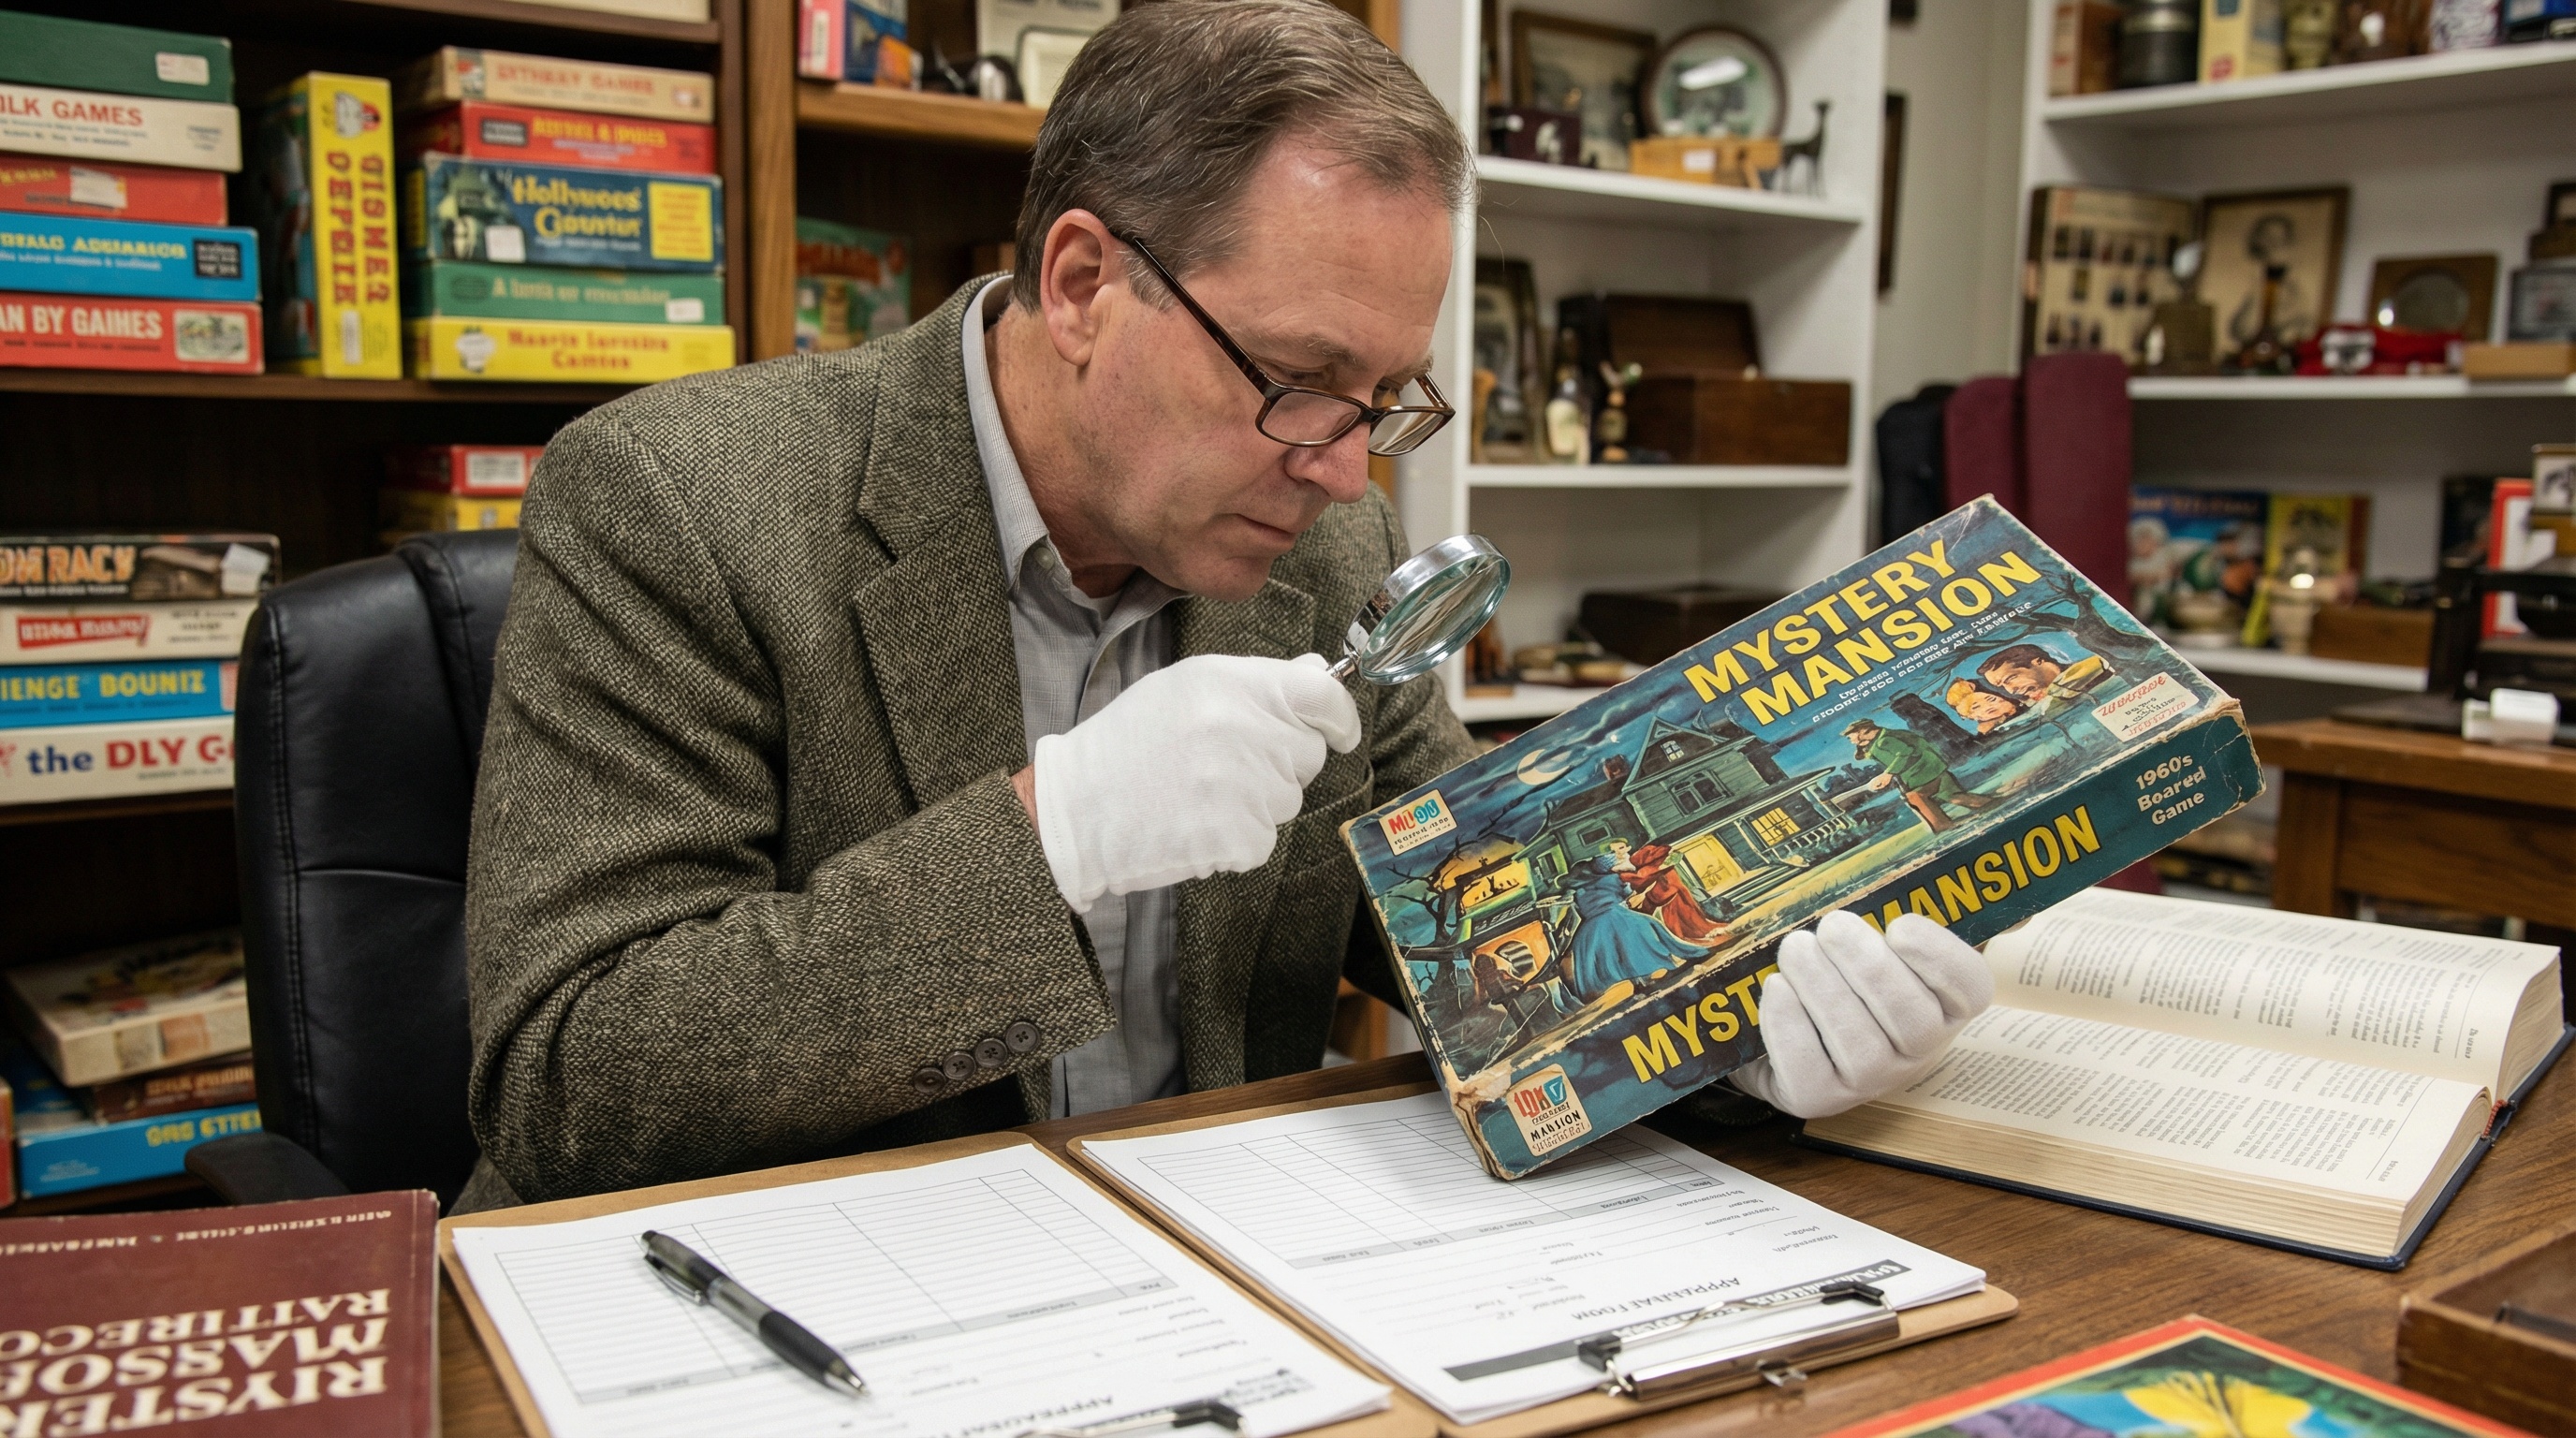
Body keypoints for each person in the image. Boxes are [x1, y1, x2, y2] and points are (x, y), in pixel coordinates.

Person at [460, 0, 1991, 1211]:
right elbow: (572, 1081)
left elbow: (1489, 922)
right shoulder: (675, 500)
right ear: (1080, 283)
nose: (1338, 471)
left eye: (1382, 401)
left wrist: (1750, 1025)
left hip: (1231, 1277)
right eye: (1296, 385)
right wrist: (1047, 834)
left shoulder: (1320, 548)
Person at [1555, 854, 1710, 1001]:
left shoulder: (1577, 890)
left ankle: (1639, 983)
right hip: (1616, 916)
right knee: (1641, 937)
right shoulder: (1614, 879)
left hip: (1591, 928)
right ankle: (1651, 976)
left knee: (1616, 954)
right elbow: (1628, 895)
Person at [1847, 716, 1999, 833]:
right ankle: (1991, 804)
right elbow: (1868, 755)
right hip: (1932, 768)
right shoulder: (1879, 740)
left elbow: (1905, 753)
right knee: (1952, 796)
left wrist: (1887, 775)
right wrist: (1862, 747)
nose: (1850, 740)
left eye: (1851, 736)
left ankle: (1943, 826)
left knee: (1915, 797)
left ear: (1862, 731)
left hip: (1923, 772)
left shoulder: (1884, 740)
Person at [1608, 838, 1726, 942]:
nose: (1619, 852)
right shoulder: (1617, 866)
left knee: (1687, 922)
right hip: (1655, 896)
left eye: (1621, 848)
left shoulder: (1639, 857)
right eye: (1614, 851)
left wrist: (1629, 876)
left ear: (1628, 847)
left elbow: (1646, 875)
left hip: (1667, 891)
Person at [1977, 643, 2114, 719]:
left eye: (2010, 679)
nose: (2011, 690)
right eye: (2001, 686)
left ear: (2039, 662)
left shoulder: (2099, 668)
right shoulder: (2044, 699)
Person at [1943, 678, 2027, 736]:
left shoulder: (2026, 707)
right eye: (1976, 707)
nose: (1987, 706)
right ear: (1972, 716)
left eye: (1991, 699)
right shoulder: (1987, 734)